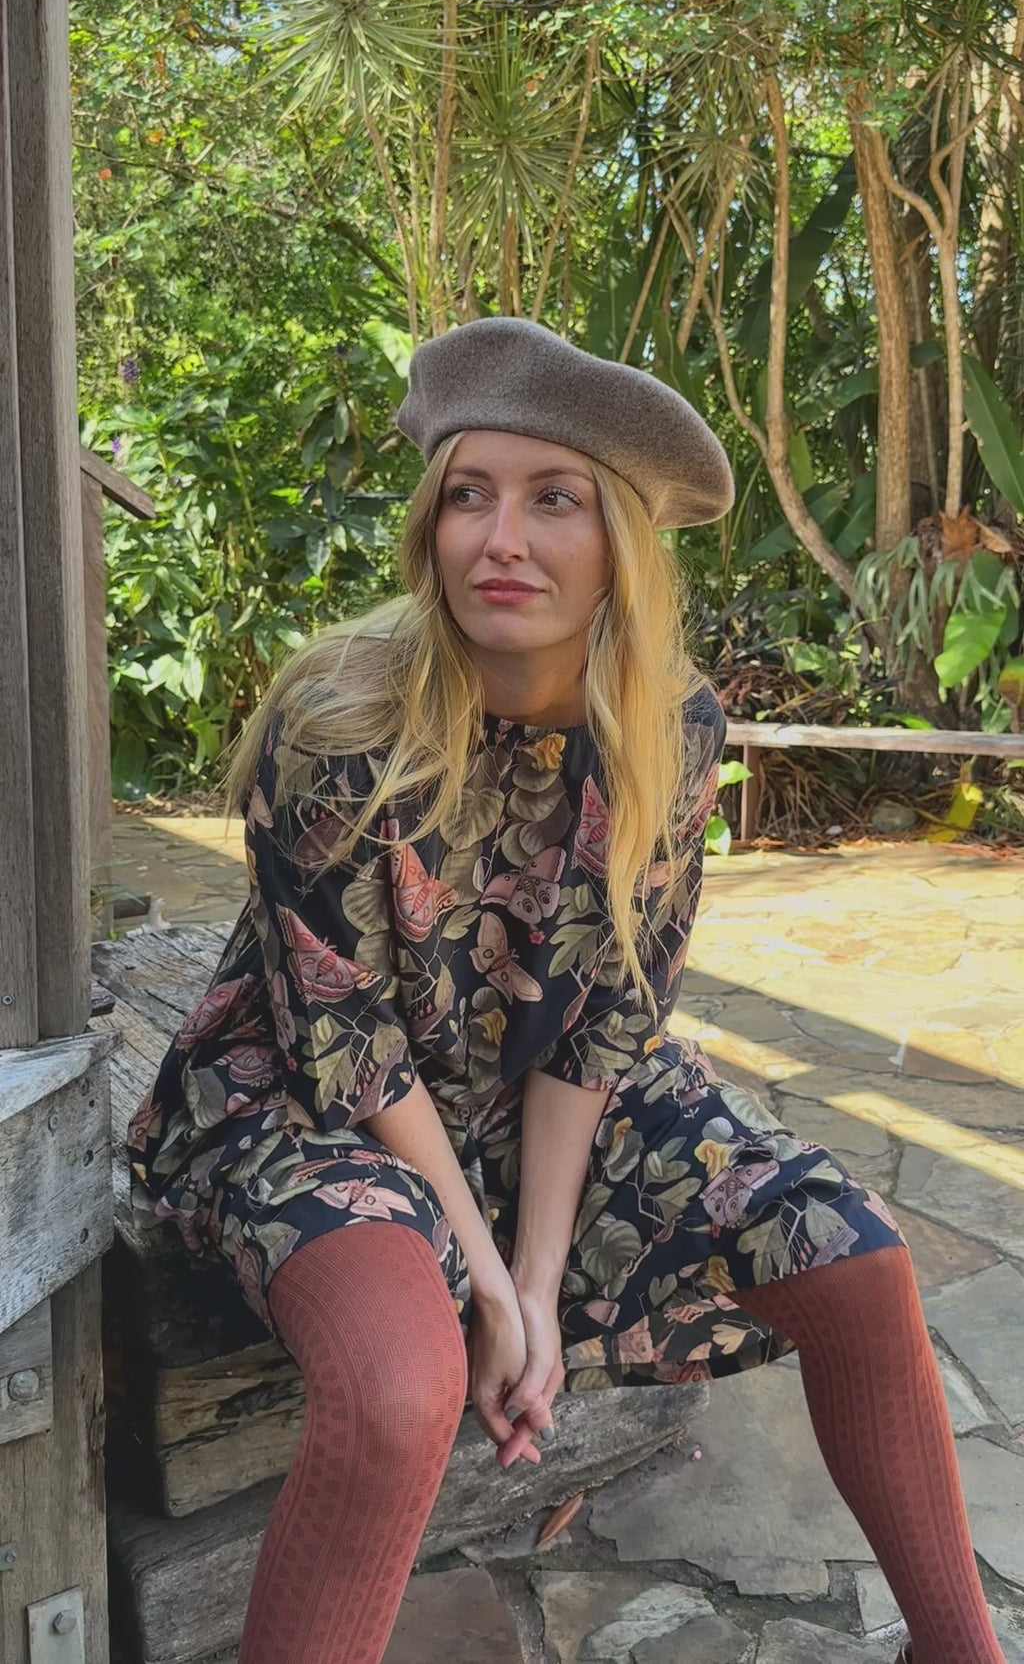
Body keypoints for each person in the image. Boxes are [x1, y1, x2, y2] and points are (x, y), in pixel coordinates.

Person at [127, 318, 1003, 1664]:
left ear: (622, 547)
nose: (501, 541)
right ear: (430, 525)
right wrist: (488, 1291)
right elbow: (347, 1043)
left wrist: (537, 1280)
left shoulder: (671, 727)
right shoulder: (339, 725)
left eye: (554, 501)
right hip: (315, 1098)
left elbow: (604, 1020)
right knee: (401, 1392)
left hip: (531, 1087)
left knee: (857, 1261)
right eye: (468, 496)